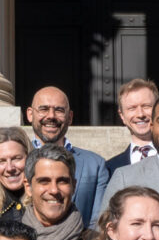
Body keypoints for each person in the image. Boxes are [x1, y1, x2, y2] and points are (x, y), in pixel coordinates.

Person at [25, 85, 109, 225]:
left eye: (59, 110)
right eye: (44, 109)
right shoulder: (16, 162)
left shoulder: (95, 165)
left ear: (69, 117)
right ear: (29, 114)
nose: (51, 116)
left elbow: (98, 223)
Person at [106, 77, 159, 176]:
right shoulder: (110, 168)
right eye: (132, 108)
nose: (140, 114)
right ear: (122, 116)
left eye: (146, 106)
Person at [0, 128, 33, 221]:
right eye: (2, 161)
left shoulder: (43, 202)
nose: (10, 168)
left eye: (16, 158)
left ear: (29, 159)